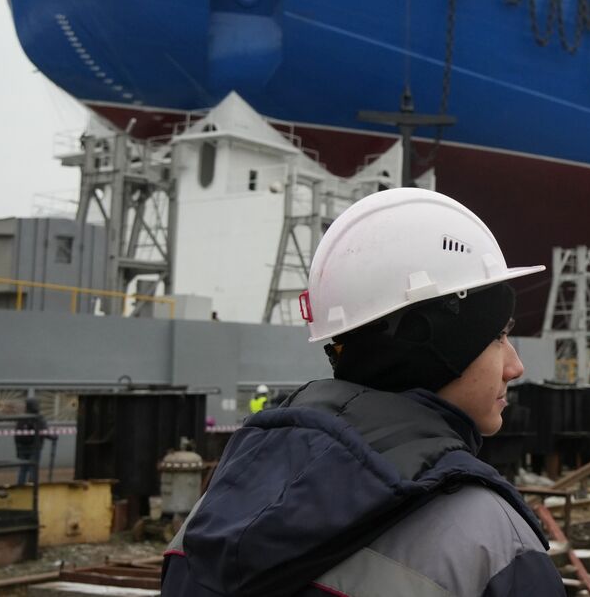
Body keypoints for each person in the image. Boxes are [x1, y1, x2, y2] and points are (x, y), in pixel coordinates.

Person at [161, 188, 565, 597]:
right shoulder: (492, 543)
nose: (515, 366)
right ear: (437, 345)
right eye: (498, 336)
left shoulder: (210, 515)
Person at [14, 396, 49, 485]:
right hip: (35, 447)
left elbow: (17, 435)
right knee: (33, 469)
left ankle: (20, 487)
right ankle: (33, 489)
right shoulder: (39, 418)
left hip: (23, 447)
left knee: (23, 469)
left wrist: (18, 448)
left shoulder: (22, 418)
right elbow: (45, 431)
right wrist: (53, 436)